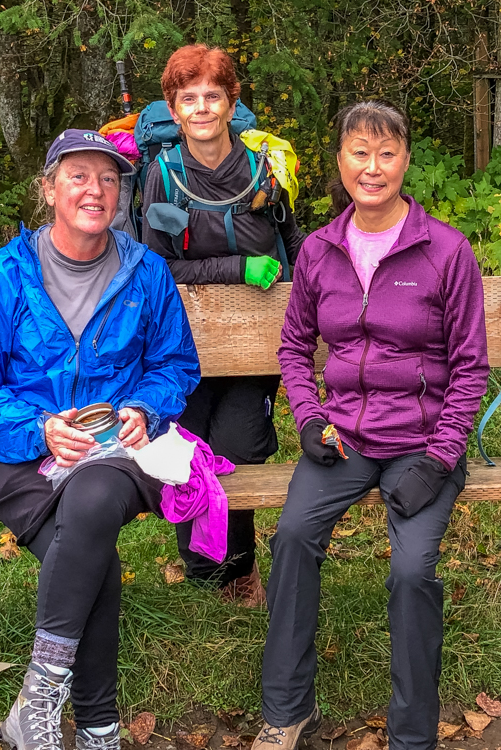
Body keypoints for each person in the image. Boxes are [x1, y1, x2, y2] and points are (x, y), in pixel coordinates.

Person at [0, 130, 200, 750]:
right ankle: (98, 728)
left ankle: (37, 698)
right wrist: (38, 428)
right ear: (49, 189)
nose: (96, 190)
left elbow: (175, 364)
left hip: (120, 450)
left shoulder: (146, 273)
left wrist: (144, 406)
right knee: (95, 560)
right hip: (22, 452)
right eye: (79, 176)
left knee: (91, 502)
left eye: (109, 179)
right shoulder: (6, 275)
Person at [253, 101, 490, 750]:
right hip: (345, 439)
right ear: (340, 162)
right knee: (294, 537)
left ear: (406, 159)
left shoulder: (445, 251)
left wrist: (441, 459)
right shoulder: (321, 251)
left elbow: (470, 368)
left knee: (413, 571)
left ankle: (412, 736)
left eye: (387, 153)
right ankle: (286, 711)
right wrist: (307, 418)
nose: (373, 167)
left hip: (421, 444)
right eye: (360, 152)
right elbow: (295, 348)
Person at [141, 44, 305, 605]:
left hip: (256, 338)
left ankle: (238, 568)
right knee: (187, 448)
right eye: (190, 98)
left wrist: (298, 290)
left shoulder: (265, 166)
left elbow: (295, 240)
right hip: (182, 343)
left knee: (237, 445)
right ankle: (201, 573)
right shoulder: (162, 175)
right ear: (174, 106)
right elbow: (156, 265)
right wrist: (236, 267)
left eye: (214, 95)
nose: (203, 107)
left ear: (232, 103)